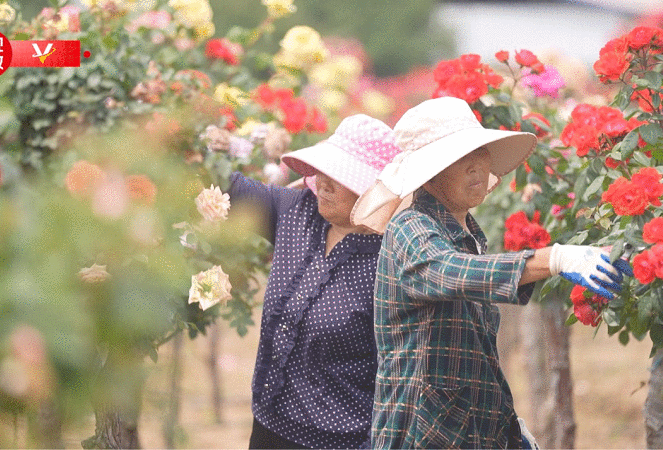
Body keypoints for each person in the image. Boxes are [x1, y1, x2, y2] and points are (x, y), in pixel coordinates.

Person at [350, 97, 633, 449]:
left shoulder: (467, 234)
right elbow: (448, 272)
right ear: (430, 173)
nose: (475, 165)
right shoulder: (410, 228)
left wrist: (510, 428)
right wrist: (554, 258)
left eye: (479, 152)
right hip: (420, 436)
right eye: (458, 158)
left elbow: (479, 356)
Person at [227, 114, 401, 449]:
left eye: (339, 175)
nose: (322, 181)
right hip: (269, 425)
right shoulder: (296, 210)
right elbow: (225, 187)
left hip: (342, 441)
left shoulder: (389, 259)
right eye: (323, 168)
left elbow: (395, 374)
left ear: (373, 191)